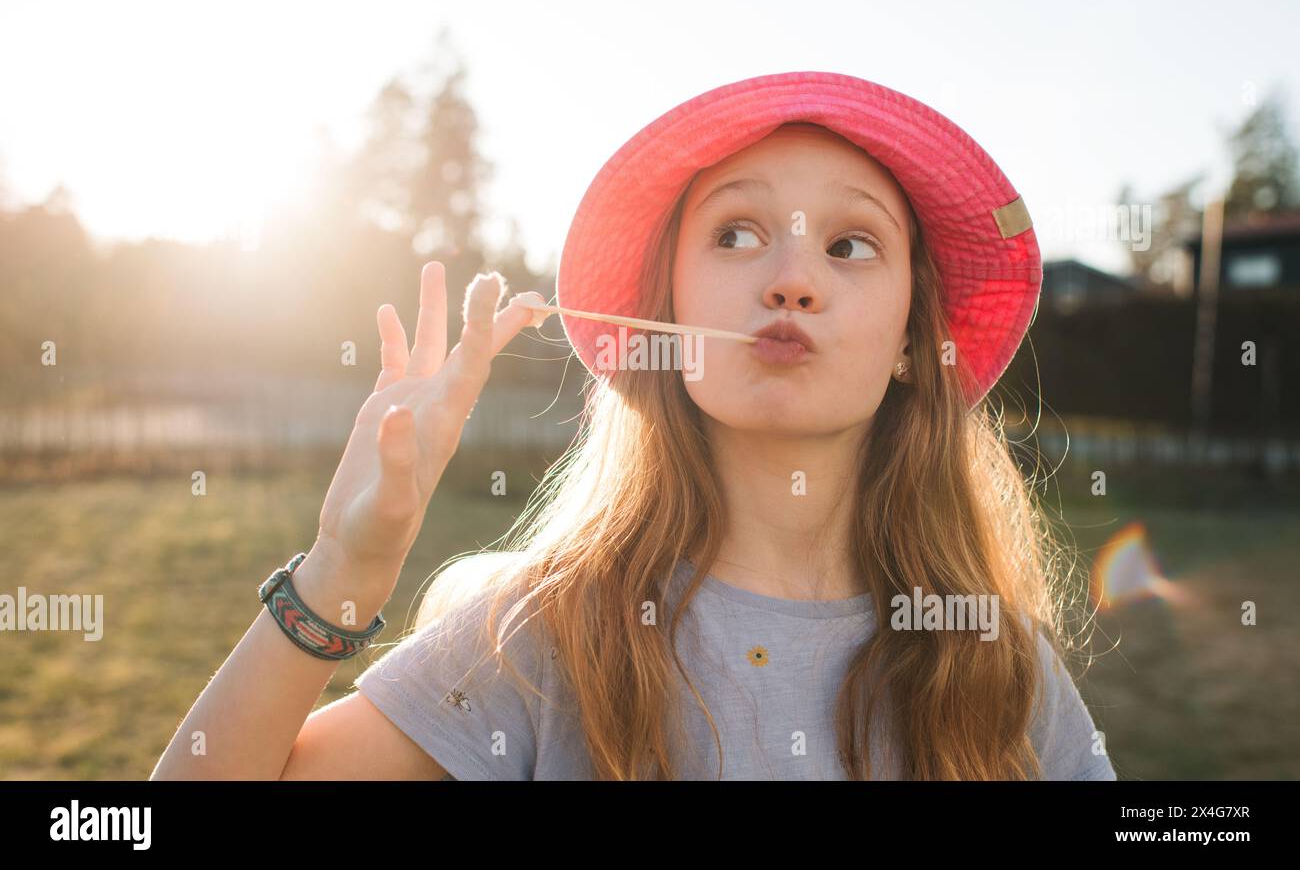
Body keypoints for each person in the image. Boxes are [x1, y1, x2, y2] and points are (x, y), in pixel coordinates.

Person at [152, 71, 1116, 781]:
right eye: (735, 233)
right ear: (668, 309)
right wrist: (342, 569)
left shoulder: (996, 664)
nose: (790, 276)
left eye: (849, 243)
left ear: (912, 339)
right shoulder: (543, 638)